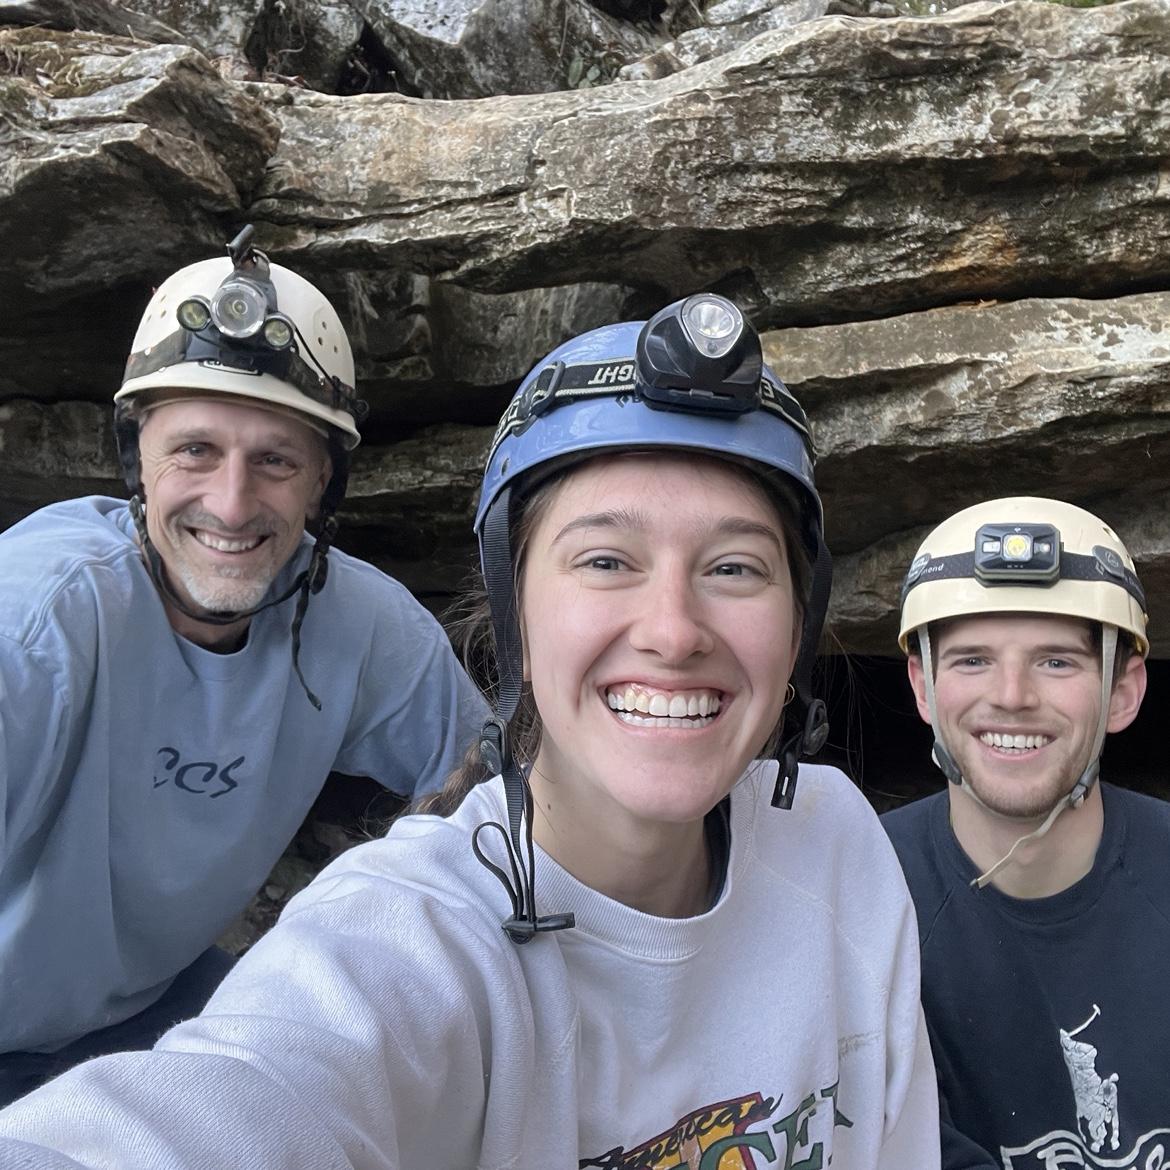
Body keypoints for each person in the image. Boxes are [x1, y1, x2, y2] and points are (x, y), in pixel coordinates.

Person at [0, 293, 939, 1167]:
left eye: (734, 567)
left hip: (149, 987)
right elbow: (248, 1092)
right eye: (606, 559)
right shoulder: (39, 621)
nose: (670, 630)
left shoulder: (837, 846)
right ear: (513, 607)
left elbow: (481, 759)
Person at [0, 227, 487, 1106]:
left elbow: (507, 799)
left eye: (274, 460)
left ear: (323, 485)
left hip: (149, 1008)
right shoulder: (38, 625)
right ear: (137, 459)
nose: (231, 502)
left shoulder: (357, 625)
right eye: (195, 450)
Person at [882, 497, 1167, 1170]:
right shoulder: (858, 897)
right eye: (973, 660)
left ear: (1122, 692)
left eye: (1057, 662)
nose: (1011, 695)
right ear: (922, 687)